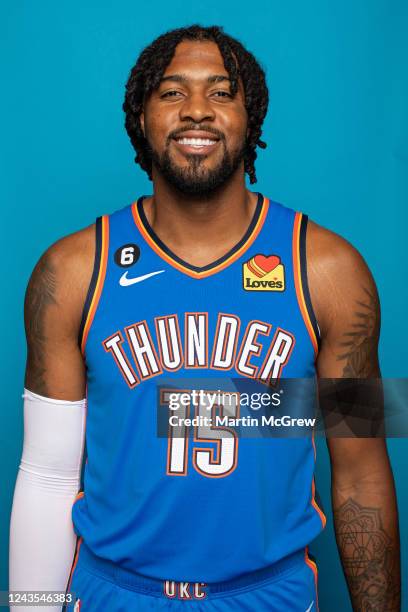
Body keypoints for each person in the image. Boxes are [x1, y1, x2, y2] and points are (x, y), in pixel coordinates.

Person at [9, 24, 400, 612]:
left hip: (270, 595)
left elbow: (362, 466)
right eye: (171, 93)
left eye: (221, 93)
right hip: (116, 593)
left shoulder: (331, 271)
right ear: (141, 118)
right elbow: (46, 473)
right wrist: (30, 608)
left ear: (251, 118)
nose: (197, 111)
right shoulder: (70, 272)